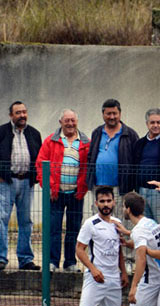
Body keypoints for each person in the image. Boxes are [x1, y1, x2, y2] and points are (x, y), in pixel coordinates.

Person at [0, 100, 42, 271]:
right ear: (11, 115)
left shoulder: (34, 134)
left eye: (24, 112)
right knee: (1, 221)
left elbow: (40, 158)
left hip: (26, 184)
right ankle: (0, 258)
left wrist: (35, 178)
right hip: (6, 183)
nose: (22, 115)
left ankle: (25, 259)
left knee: (26, 221)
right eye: (18, 113)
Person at [75, 186, 129, 306]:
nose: (106, 205)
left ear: (114, 202)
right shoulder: (90, 223)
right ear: (96, 203)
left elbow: (119, 249)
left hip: (114, 279)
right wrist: (93, 269)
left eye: (108, 201)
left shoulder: (117, 223)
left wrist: (123, 271)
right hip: (95, 278)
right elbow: (79, 250)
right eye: (102, 201)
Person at [35, 108, 90, 273]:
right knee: (54, 229)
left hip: (76, 194)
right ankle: (52, 262)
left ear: (77, 122)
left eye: (73, 120)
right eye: (67, 120)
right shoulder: (50, 141)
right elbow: (40, 165)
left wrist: (83, 189)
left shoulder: (86, 142)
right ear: (61, 122)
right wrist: (50, 187)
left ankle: (70, 263)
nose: (70, 124)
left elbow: (88, 168)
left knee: (73, 230)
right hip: (55, 195)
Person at [86, 98, 139, 201]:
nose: (112, 117)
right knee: (99, 216)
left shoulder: (130, 134)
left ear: (120, 113)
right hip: (98, 186)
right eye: (108, 114)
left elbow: (136, 161)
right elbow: (90, 156)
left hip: (120, 188)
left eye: (115, 113)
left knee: (118, 216)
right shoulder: (97, 132)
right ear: (103, 114)